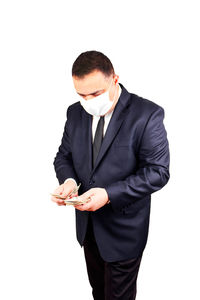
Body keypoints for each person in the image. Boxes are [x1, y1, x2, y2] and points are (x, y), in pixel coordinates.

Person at [51, 50, 170, 300]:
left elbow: (157, 172)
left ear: (114, 79)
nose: (89, 101)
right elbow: (63, 157)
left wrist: (108, 194)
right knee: (99, 293)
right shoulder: (75, 113)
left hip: (124, 230)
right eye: (81, 95)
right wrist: (70, 183)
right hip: (88, 229)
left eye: (95, 94)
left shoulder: (147, 115)